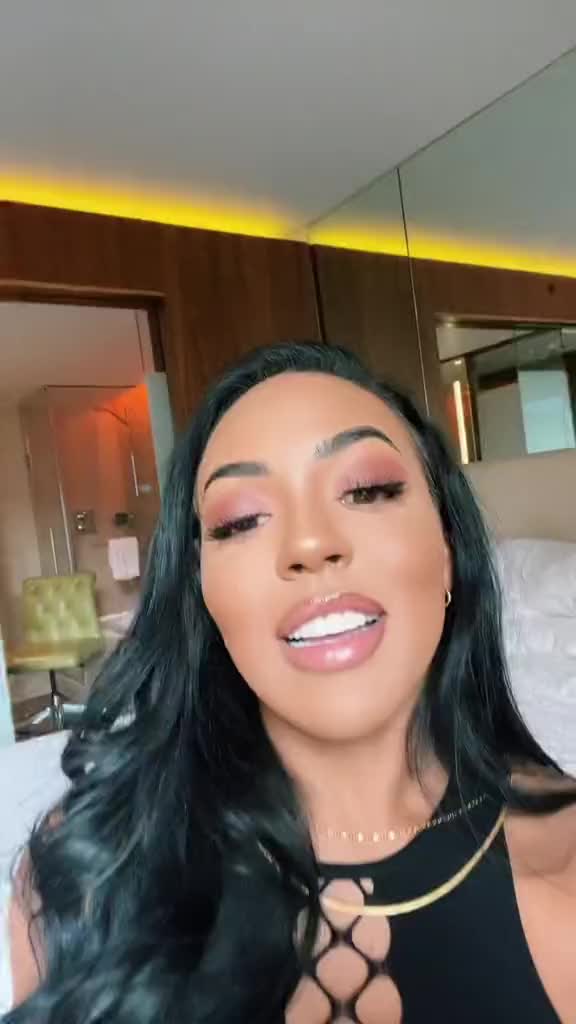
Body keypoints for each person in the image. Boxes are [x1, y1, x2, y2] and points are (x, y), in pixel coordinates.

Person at [4, 340, 576, 1023]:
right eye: (241, 521)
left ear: (448, 551)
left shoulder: (566, 858)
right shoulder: (91, 877)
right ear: (204, 593)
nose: (310, 544)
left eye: (367, 490)